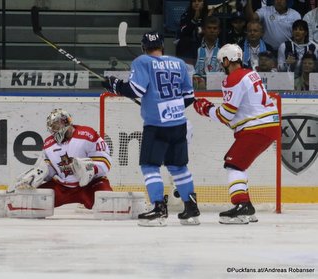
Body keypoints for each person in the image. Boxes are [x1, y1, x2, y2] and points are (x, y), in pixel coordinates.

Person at [101, 31, 200, 227]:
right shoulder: (179, 63)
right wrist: (169, 108)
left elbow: (135, 90)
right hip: (178, 123)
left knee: (149, 165)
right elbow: (189, 97)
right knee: (178, 166)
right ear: (162, 45)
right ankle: (191, 208)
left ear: (143, 47)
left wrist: (115, 85)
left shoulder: (142, 61)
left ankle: (158, 209)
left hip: (156, 126)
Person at [193, 44, 280, 224]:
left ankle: (242, 206)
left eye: (222, 62)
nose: (222, 66)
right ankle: (247, 206)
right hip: (269, 125)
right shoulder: (250, 73)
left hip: (257, 128)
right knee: (239, 164)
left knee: (233, 165)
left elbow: (226, 115)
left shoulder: (233, 79)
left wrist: (206, 109)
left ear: (227, 60)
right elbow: (238, 114)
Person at [14, 108, 113, 209]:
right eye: (52, 126)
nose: (53, 129)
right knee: (25, 202)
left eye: (56, 125)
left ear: (66, 121)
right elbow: (50, 170)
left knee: (109, 206)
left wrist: (92, 169)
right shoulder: (48, 144)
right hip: (62, 188)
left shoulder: (87, 134)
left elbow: (105, 161)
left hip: (90, 185)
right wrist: (39, 174)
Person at [176, 0, 209, 65]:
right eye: (194, 1)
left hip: (204, 47)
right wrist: (194, 19)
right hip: (187, 47)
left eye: (199, 1)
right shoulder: (185, 15)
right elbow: (183, 32)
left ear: (204, 3)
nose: (196, 3)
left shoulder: (208, 16)